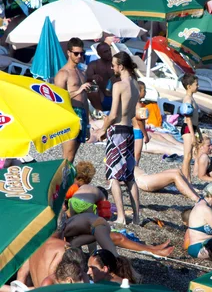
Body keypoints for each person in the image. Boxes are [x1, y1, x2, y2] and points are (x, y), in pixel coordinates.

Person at [96, 52, 140, 225]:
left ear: (121, 66)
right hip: (129, 130)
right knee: (129, 177)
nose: (112, 68)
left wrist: (102, 129)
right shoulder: (136, 85)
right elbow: (133, 113)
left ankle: (121, 217)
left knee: (113, 175)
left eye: (114, 65)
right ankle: (136, 218)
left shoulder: (118, 85)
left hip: (117, 132)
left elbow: (113, 114)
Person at [54, 37, 92, 163]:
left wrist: (87, 123)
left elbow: (85, 99)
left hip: (81, 113)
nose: (79, 56)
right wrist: (78, 91)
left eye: (82, 53)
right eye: (76, 53)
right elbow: (58, 100)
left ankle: (66, 181)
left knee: (72, 156)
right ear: (68, 52)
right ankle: (61, 181)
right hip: (70, 113)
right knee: (67, 155)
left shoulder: (82, 73)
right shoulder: (63, 73)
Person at [134, 166, 200, 201]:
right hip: (144, 181)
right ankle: (196, 198)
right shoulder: (124, 160)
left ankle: (192, 190)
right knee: (175, 175)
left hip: (146, 177)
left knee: (177, 171)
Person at [181, 73, 202, 181]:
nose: (198, 86)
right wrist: (193, 136)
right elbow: (188, 119)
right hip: (188, 129)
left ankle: (187, 180)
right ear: (189, 86)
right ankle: (187, 181)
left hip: (192, 128)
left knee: (189, 156)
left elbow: (195, 120)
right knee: (187, 156)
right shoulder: (188, 100)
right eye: (196, 84)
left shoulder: (192, 99)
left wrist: (199, 133)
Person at [85, 42, 116, 112]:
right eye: (105, 52)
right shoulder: (93, 65)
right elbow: (86, 78)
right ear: (99, 54)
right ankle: (99, 112)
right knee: (90, 88)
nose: (109, 53)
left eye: (109, 50)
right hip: (102, 97)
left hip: (117, 95)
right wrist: (93, 77)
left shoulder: (117, 63)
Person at [133, 81, 150, 166]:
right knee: (137, 155)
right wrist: (145, 134)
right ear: (139, 92)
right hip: (138, 131)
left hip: (131, 129)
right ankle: (134, 172)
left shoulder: (131, 103)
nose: (145, 92)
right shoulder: (138, 105)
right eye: (144, 90)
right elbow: (140, 121)